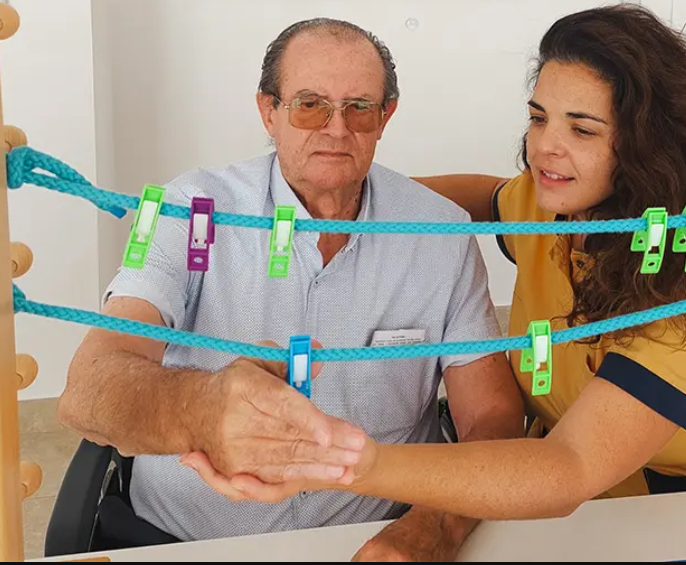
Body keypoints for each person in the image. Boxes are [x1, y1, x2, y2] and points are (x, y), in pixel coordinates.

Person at [183, 4, 686, 522]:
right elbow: (482, 195)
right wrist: (344, 197)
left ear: (647, 144)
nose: (545, 148)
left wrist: (348, 462)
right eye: (539, 118)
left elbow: (570, 468)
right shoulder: (550, 208)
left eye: (582, 129)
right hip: (585, 502)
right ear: (269, 109)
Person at [58, 17, 524, 560]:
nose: (336, 129)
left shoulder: (441, 234)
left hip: (373, 540)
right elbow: (87, 389)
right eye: (309, 105)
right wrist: (203, 409)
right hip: (186, 541)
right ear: (268, 112)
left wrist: (434, 526)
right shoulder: (186, 209)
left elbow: (492, 417)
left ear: (385, 117)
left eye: (359, 108)